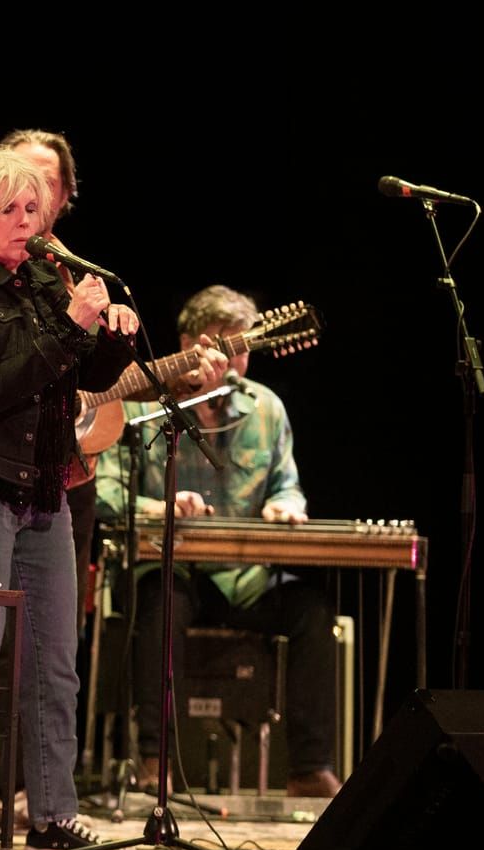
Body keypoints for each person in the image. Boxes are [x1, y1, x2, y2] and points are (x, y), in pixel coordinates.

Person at [0, 145, 139, 850]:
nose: (24, 221)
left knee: (54, 660)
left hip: (44, 485)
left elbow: (76, 374)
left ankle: (54, 812)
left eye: (32, 208)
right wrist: (71, 326)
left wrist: (112, 336)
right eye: (8, 210)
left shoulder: (44, 281)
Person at [95, 285, 342, 799]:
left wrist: (288, 506)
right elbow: (107, 492)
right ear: (192, 342)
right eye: (227, 345)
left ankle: (308, 768)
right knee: (160, 603)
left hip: (245, 578)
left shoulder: (268, 409)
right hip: (178, 571)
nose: (236, 361)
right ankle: (153, 762)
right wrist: (159, 507)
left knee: (312, 612)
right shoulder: (143, 406)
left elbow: (288, 484)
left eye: (246, 348)